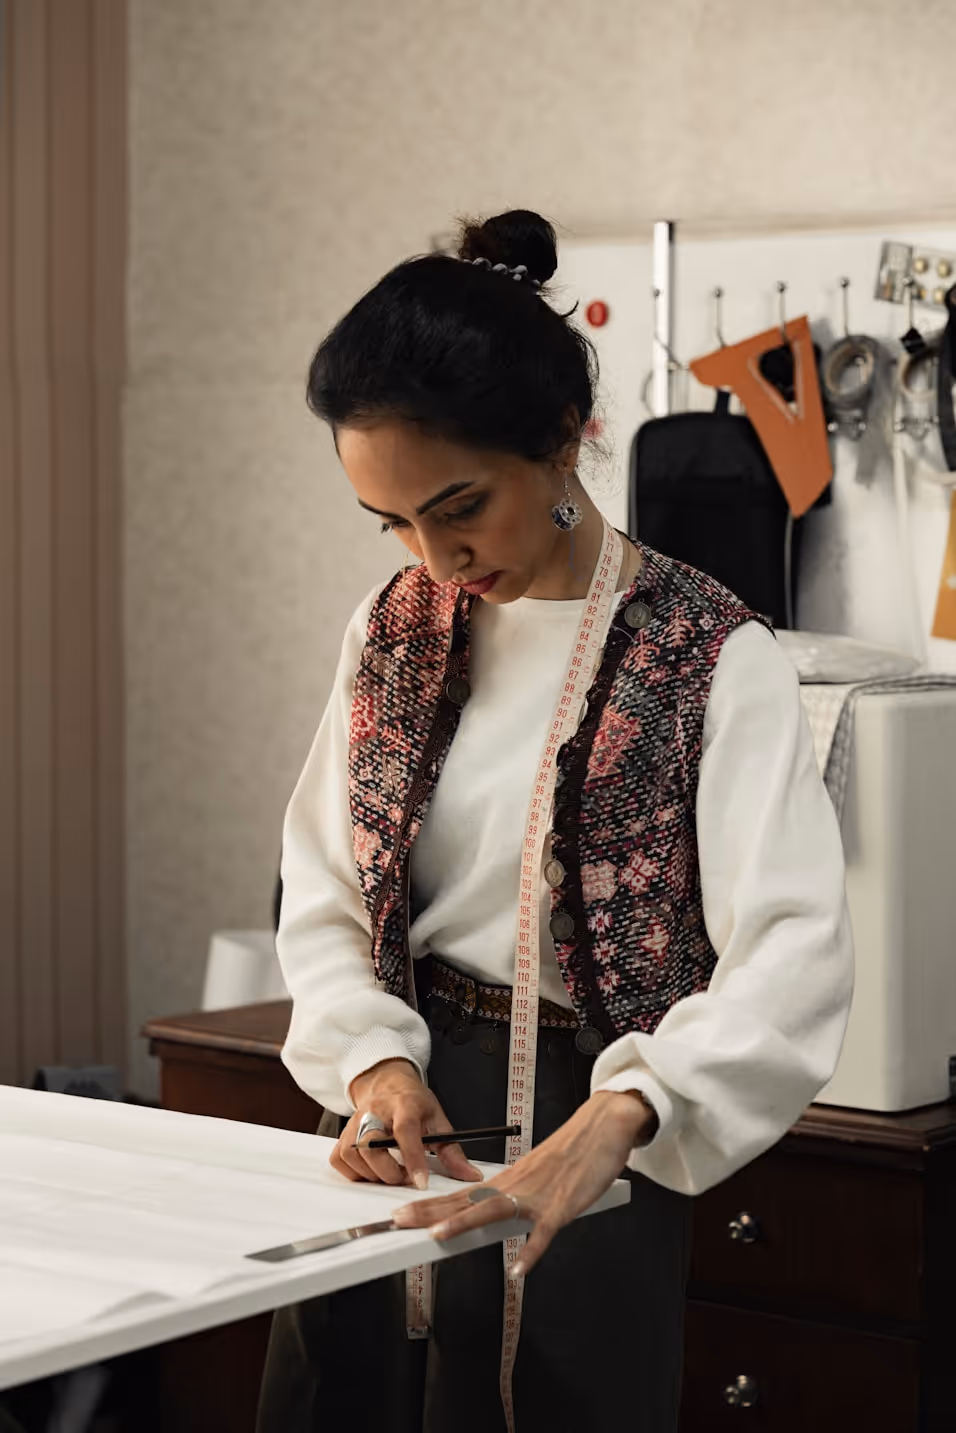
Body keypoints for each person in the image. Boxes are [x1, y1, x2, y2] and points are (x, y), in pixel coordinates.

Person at [255, 209, 854, 1433]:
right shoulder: (394, 628)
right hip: (396, 1106)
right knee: (344, 1396)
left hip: (598, 1116)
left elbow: (789, 952)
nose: (433, 556)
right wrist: (370, 1060)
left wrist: (627, 1113)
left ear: (561, 436)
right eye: (393, 522)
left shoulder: (705, 654)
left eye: (458, 505)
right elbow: (322, 883)